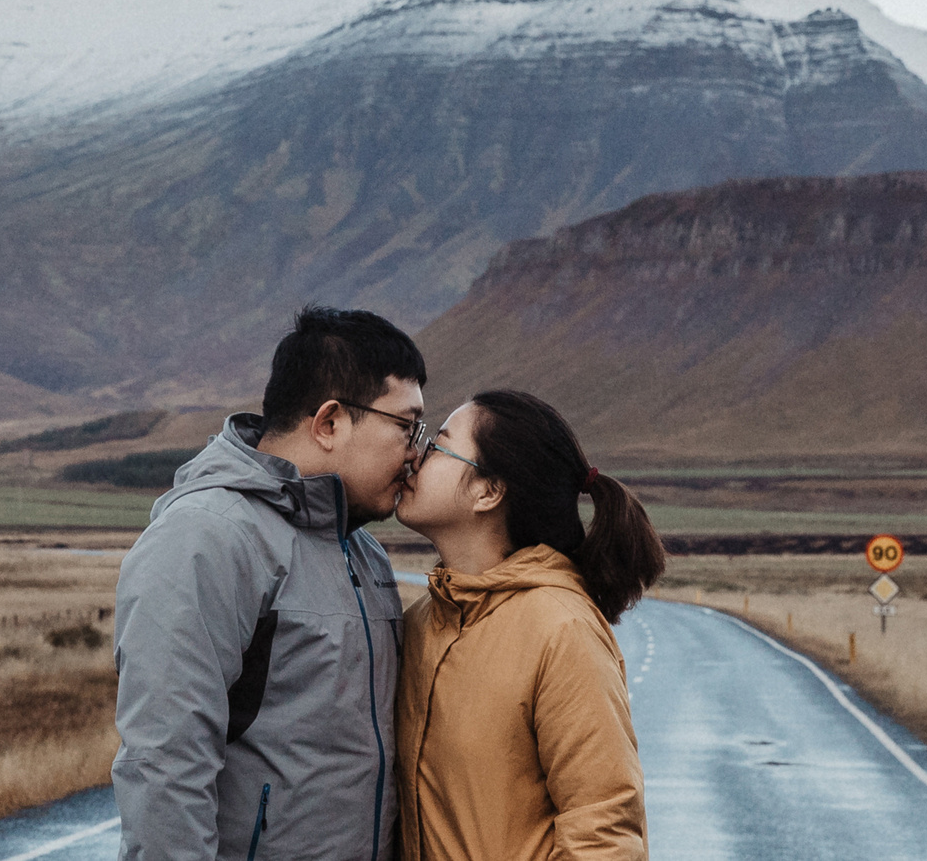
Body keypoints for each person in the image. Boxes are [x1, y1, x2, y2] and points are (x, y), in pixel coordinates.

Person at [113, 306, 427, 861]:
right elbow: (164, 766)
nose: (415, 451)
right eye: (405, 425)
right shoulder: (206, 537)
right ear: (330, 422)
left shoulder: (363, 550)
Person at [391, 389, 666, 861]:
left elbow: (603, 834)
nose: (414, 457)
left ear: (489, 491)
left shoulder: (562, 630)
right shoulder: (421, 624)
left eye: (437, 446)